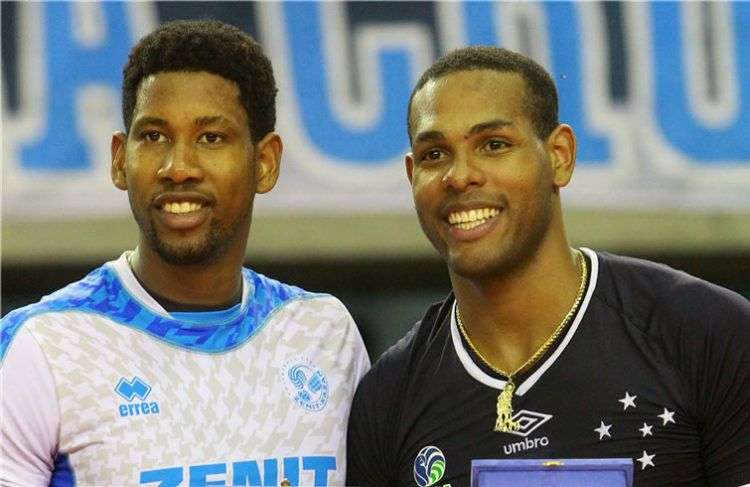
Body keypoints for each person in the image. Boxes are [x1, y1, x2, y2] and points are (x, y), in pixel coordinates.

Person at [346, 46, 750, 487]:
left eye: (494, 145)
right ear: (411, 176)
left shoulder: (706, 333)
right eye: (434, 155)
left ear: (559, 155)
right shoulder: (388, 395)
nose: (459, 176)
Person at [0, 20, 369, 486]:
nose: (178, 168)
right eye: (153, 136)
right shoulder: (42, 344)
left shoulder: (324, 334)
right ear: (120, 158)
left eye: (211, 138)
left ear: (265, 163)